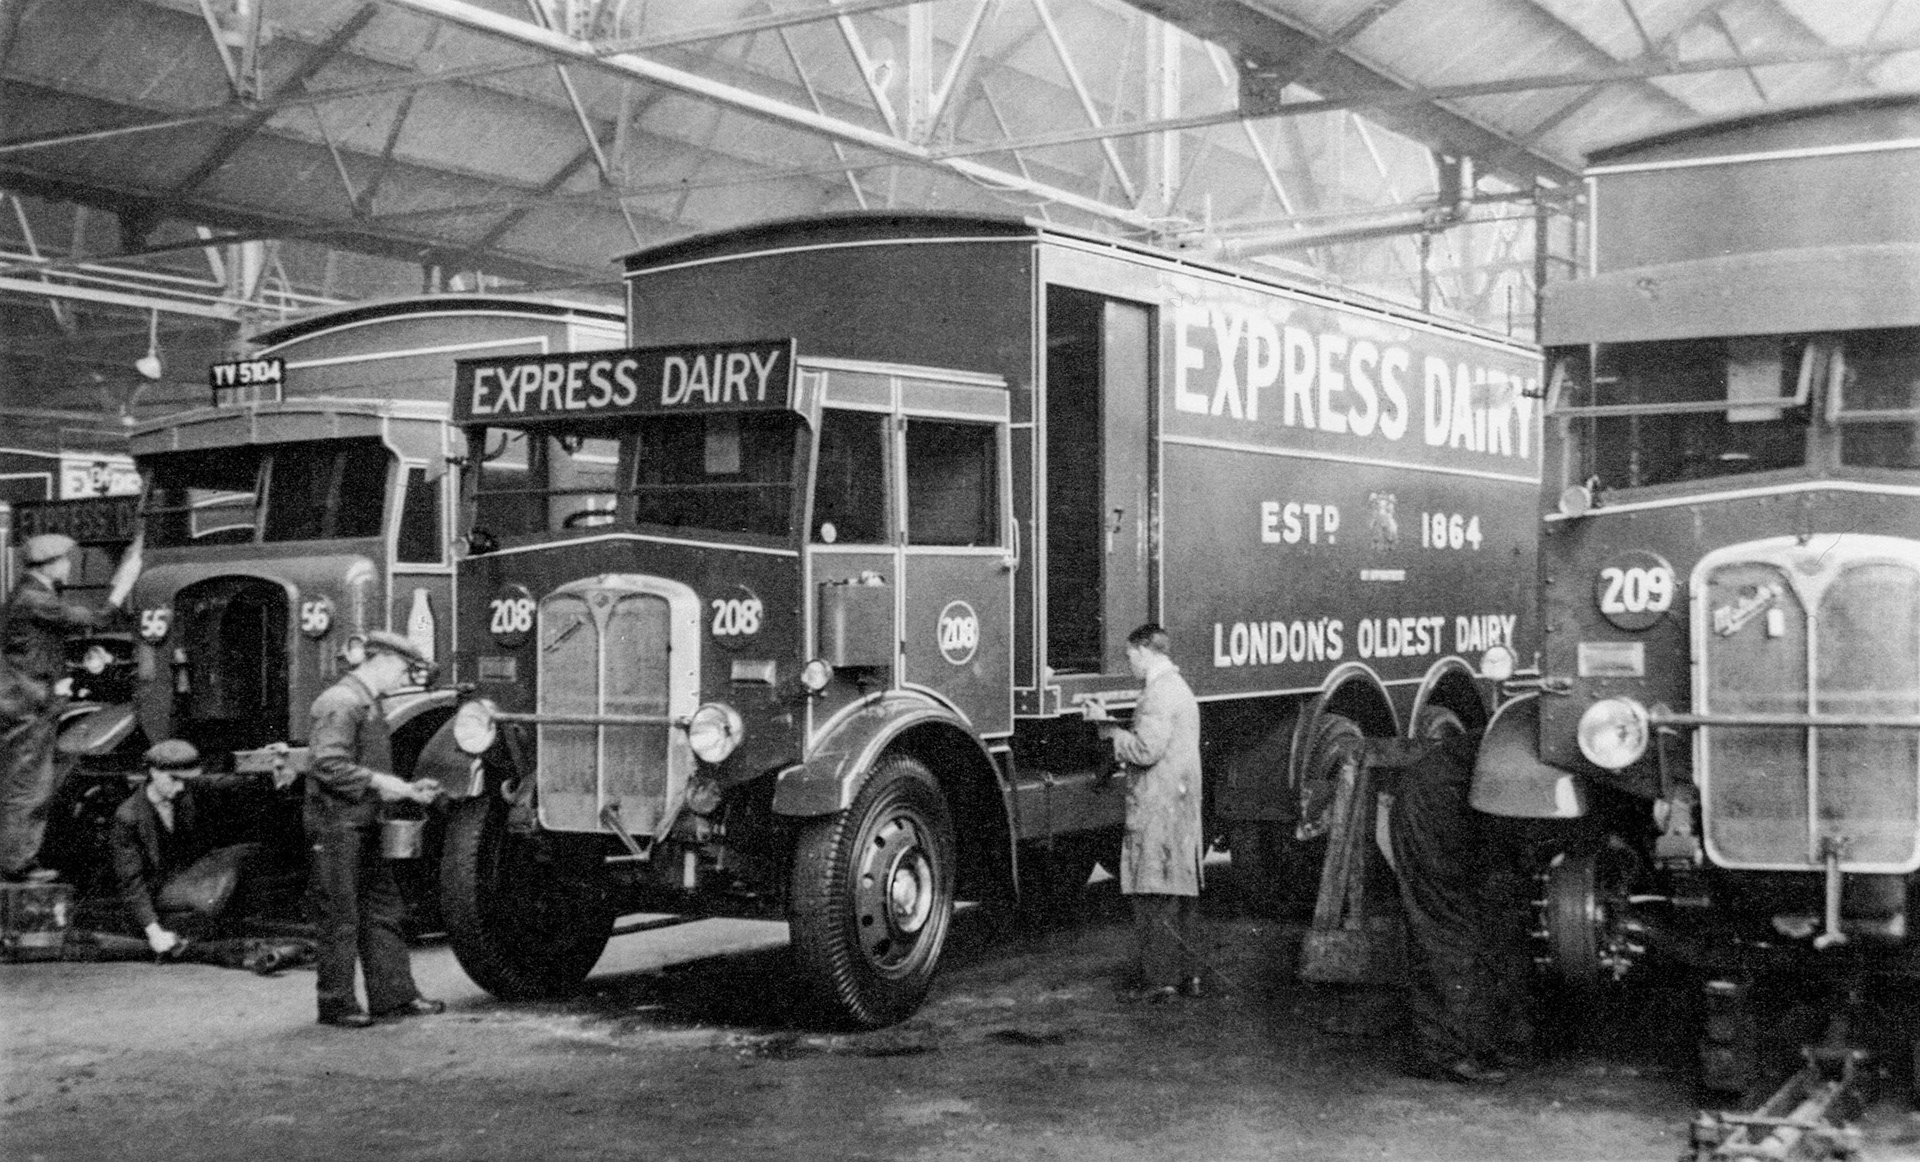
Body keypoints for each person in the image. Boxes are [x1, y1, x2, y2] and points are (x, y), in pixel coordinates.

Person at [306, 630, 444, 1028]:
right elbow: (327, 765)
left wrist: (404, 789)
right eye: (403, 670)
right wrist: (391, 786)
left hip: (363, 822)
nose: (403, 680)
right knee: (340, 914)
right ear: (380, 661)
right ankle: (336, 1005)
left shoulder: (366, 703)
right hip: (337, 826)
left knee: (383, 908)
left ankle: (395, 998)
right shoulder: (341, 702)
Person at [1384, 730, 1533, 1084]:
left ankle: (1482, 1042)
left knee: (1487, 923)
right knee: (1447, 925)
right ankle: (1442, 1054)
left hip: (1461, 801)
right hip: (1435, 805)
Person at [106, 738, 309, 973]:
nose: (181, 787)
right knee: (228, 871)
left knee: (248, 853)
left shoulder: (186, 790)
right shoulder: (128, 817)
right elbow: (132, 883)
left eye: (186, 780)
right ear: (153, 772)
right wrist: (154, 932)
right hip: (159, 893)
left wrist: (269, 764)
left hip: (186, 876)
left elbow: (233, 785)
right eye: (174, 779)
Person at [1088, 624, 1205, 1003]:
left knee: (1153, 894)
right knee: (1178, 892)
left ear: (1143, 651)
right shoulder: (1179, 688)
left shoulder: (1158, 694)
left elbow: (1144, 751)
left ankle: (1161, 983)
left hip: (1159, 806)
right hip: (1177, 805)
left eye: (1129, 656)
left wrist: (1107, 730)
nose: (1129, 664)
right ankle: (1188, 976)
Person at [0, 533, 103, 883]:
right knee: (29, 786)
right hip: (29, 705)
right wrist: (120, 589)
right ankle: (17, 864)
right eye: (66, 561)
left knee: (28, 783)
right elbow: (92, 617)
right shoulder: (34, 598)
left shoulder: (29, 595)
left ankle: (19, 861)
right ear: (52, 564)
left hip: (30, 702)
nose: (70, 566)